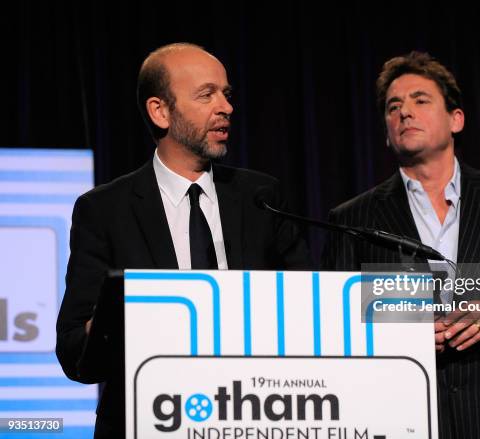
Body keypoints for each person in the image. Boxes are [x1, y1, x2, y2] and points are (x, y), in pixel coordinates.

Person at [56, 42, 310, 438]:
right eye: (207, 94)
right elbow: (74, 353)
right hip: (149, 422)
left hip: (256, 416)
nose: (226, 107)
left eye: (227, 94)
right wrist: (120, 319)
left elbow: (306, 310)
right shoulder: (104, 210)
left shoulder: (262, 198)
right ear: (160, 111)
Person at [322, 51, 480, 438]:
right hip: (402, 418)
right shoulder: (352, 219)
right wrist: (399, 334)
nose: (405, 112)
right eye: (394, 107)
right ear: (387, 132)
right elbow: (335, 327)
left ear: (456, 119)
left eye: (420, 100)